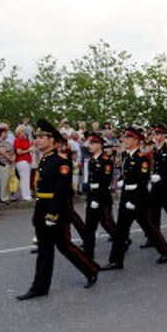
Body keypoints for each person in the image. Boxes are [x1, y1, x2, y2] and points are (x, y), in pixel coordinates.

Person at [16, 119, 99, 301]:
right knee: (45, 250)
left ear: (52, 139)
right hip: (42, 208)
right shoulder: (45, 159)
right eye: (36, 137)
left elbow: (62, 191)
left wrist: (52, 214)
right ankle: (40, 287)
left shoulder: (61, 160)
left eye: (40, 137)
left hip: (56, 210)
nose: (36, 140)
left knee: (65, 246)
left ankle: (92, 270)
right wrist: (39, 213)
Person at [101, 127, 167, 270]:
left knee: (149, 227)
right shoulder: (126, 156)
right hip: (126, 197)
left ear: (136, 141)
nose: (124, 141)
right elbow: (126, 174)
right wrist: (121, 180)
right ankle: (116, 260)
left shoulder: (142, 158)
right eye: (124, 139)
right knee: (121, 231)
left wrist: (133, 201)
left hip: (138, 199)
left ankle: (165, 251)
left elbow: (144, 180)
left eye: (128, 139)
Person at [81, 133, 118, 260]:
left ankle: (121, 241)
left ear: (100, 145)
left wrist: (96, 199)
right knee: (91, 227)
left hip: (101, 197)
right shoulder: (92, 160)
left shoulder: (106, 161)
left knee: (105, 223)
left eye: (93, 144)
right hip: (92, 196)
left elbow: (105, 182)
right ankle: (88, 254)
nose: (90, 146)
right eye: (89, 144)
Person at [13, 124, 34, 201]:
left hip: (27, 160)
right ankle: (25, 196)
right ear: (19, 132)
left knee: (27, 178)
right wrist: (28, 150)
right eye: (23, 132)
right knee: (24, 178)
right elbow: (19, 152)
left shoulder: (26, 140)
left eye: (25, 132)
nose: (24, 133)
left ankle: (27, 195)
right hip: (21, 160)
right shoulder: (17, 140)